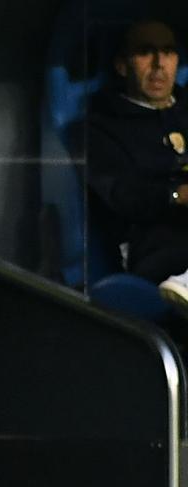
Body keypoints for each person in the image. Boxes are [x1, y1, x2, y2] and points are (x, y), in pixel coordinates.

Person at [86, 20, 188, 311]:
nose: (159, 64)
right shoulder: (101, 127)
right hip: (154, 241)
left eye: (168, 52)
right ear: (122, 65)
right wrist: (177, 195)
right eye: (146, 52)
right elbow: (122, 195)